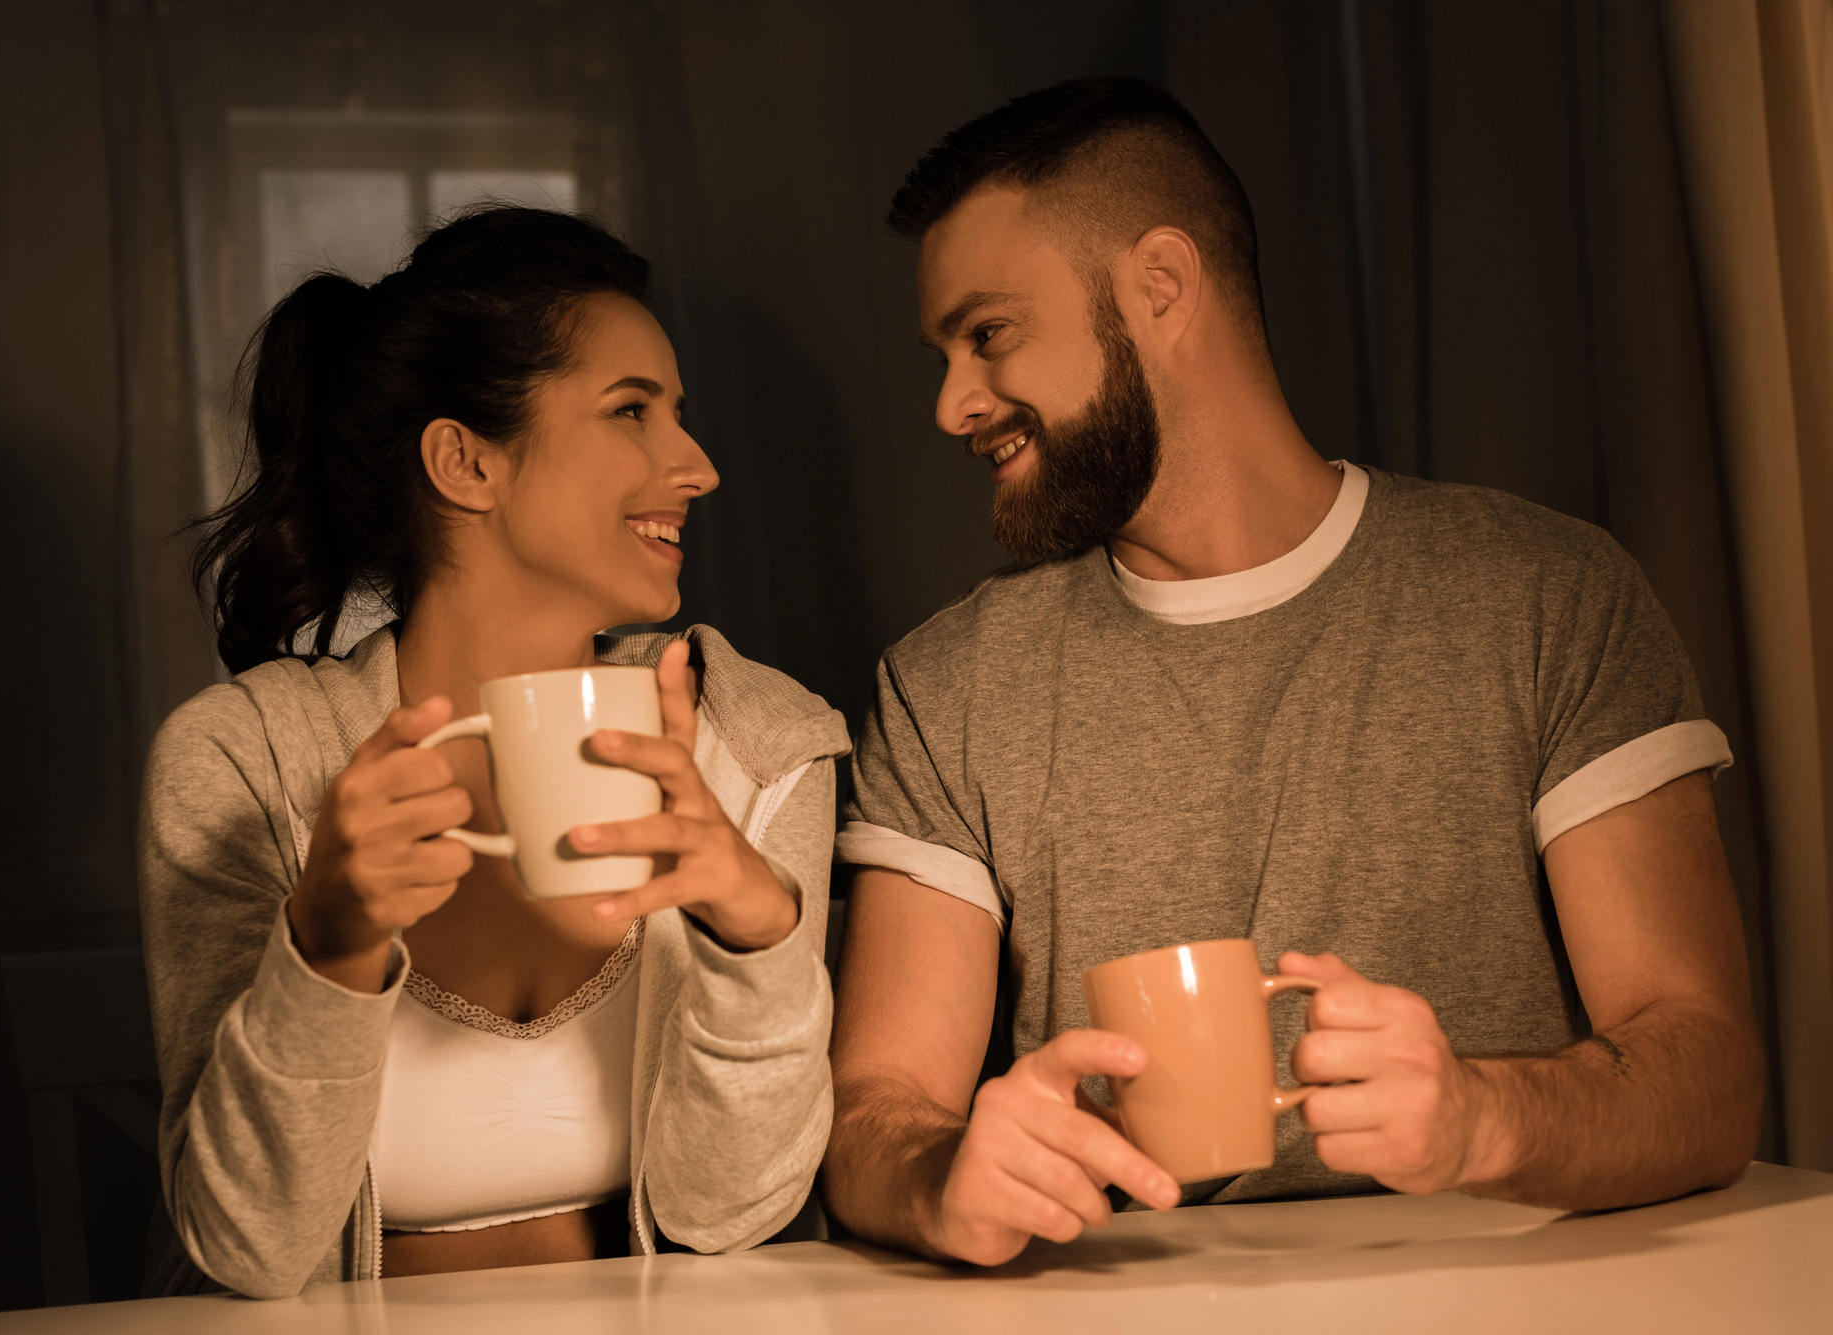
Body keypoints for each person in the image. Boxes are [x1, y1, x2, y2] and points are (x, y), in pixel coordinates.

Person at [822, 77, 1762, 1266]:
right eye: (945, 350)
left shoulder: (1543, 594)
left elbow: (1706, 1071)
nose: (954, 402)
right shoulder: (945, 685)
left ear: (1157, 287)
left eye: (989, 332)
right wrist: (936, 1177)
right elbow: (875, 1112)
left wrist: (1479, 1119)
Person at [138, 205, 847, 1299]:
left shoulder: (755, 749)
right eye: (632, 412)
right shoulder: (243, 766)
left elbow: (725, 1217)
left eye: (682, 416)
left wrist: (756, 938)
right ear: (465, 461)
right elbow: (251, 1251)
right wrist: (324, 949)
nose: (697, 466)